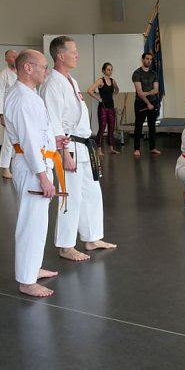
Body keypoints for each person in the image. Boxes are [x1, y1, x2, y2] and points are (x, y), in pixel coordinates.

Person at [39, 36, 117, 262]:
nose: (77, 55)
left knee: (92, 192)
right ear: (60, 56)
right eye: (74, 51)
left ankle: (92, 237)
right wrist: (64, 154)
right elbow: (53, 121)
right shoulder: (52, 84)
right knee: (69, 197)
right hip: (68, 146)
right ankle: (65, 245)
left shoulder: (70, 80)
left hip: (83, 144)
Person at [4, 49, 60, 297]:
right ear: (28, 68)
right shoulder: (21, 98)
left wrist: (54, 143)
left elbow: (38, 134)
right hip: (30, 167)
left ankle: (33, 267)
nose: (46, 71)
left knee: (39, 222)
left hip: (39, 162)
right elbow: (27, 141)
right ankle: (26, 280)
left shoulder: (30, 95)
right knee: (30, 222)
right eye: (43, 66)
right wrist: (43, 176)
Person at [86, 62, 120, 155]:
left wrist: (113, 96)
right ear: (104, 70)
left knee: (111, 128)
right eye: (108, 69)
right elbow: (89, 90)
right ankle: (99, 149)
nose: (110, 71)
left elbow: (117, 90)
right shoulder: (100, 81)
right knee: (102, 128)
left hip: (111, 107)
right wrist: (99, 99)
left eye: (111, 69)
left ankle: (111, 148)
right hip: (103, 108)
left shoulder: (113, 81)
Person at [132, 52, 161, 156]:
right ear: (142, 59)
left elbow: (156, 90)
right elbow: (139, 93)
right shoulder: (137, 73)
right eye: (147, 59)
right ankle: (137, 149)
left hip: (152, 102)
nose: (149, 61)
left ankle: (152, 147)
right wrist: (148, 103)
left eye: (150, 59)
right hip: (140, 103)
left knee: (152, 126)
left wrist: (148, 93)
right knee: (138, 126)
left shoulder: (153, 73)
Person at [0, 49, 18, 179]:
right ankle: (5, 168)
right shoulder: (3, 75)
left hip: (20, 111)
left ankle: (17, 165)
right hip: (8, 112)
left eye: (16, 56)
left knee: (21, 139)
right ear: (6, 60)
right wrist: (1, 115)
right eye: (12, 57)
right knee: (8, 141)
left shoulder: (22, 73)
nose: (15, 58)